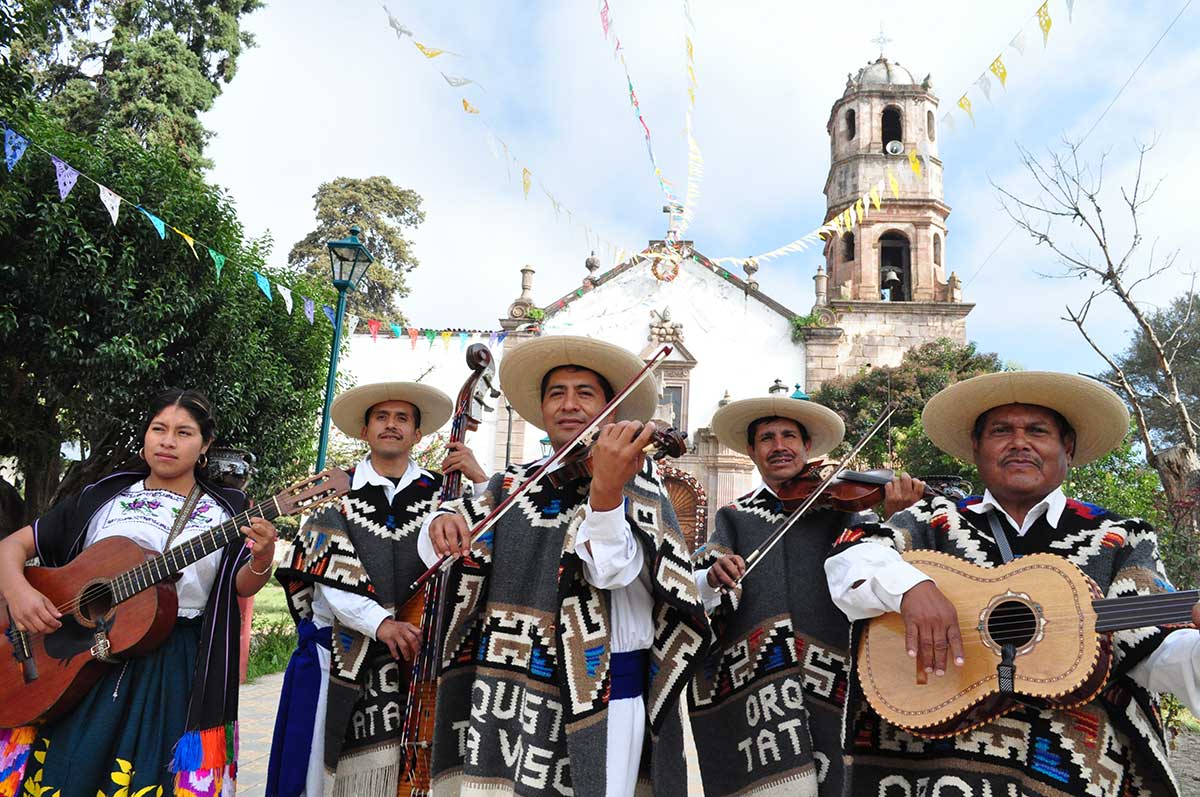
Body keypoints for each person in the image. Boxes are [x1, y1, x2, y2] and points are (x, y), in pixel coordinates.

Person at [825, 371, 1200, 796]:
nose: (1019, 442)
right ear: (976, 448)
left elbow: (1153, 651)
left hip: (1079, 777)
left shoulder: (1120, 536)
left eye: (1037, 431)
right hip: (933, 770)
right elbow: (850, 559)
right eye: (1002, 431)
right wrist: (910, 588)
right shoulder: (934, 519)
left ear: (1068, 448)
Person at [420, 335, 711, 796]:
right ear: (543, 407)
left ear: (611, 408)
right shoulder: (513, 483)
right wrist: (441, 520)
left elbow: (610, 570)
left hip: (610, 697)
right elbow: (439, 549)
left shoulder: (643, 482)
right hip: (515, 689)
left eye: (585, 393)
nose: (569, 404)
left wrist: (607, 493)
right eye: (557, 393)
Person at [0, 388, 278, 797]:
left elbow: (238, 584)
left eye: (183, 432)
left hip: (172, 664)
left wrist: (263, 557)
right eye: (158, 429)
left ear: (205, 445)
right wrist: (20, 592)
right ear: (144, 435)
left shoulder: (228, 508)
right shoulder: (104, 496)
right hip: (75, 659)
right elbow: (12, 547)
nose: (167, 441)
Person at [689, 393, 924, 796]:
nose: (779, 447)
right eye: (766, 438)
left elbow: (885, 570)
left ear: (807, 447)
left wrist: (895, 516)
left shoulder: (848, 510)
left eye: (789, 437)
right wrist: (713, 578)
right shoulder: (735, 517)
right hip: (761, 685)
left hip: (841, 675)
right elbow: (696, 586)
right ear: (752, 451)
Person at [266, 382, 487, 796]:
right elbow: (327, 572)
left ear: (418, 435)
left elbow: (481, 554)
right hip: (343, 652)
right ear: (364, 431)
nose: (391, 425)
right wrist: (380, 623)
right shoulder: (335, 491)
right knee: (325, 780)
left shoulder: (445, 494)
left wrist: (479, 479)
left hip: (421, 658)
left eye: (402, 418)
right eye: (381, 417)